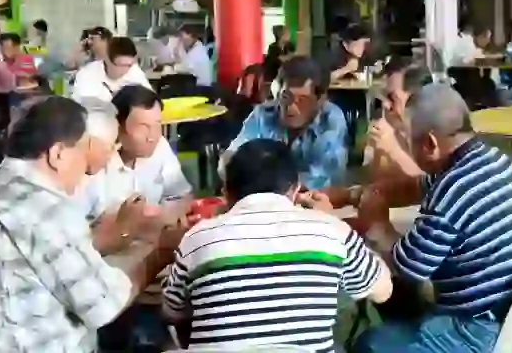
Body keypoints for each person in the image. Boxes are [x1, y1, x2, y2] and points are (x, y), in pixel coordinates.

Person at [0, 96, 187, 352]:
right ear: (57, 154)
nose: (86, 168)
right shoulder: (46, 210)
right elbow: (104, 304)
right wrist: (161, 253)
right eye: (83, 152)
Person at [350, 84, 512, 353]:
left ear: (429, 143)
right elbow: (416, 186)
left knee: (369, 344)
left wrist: (377, 223)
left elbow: (408, 268)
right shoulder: (492, 158)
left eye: (406, 139)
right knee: (402, 304)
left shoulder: (452, 191)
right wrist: (353, 196)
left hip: (486, 332)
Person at [163, 138, 391, 351]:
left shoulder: (196, 239)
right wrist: (333, 222)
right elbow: (383, 291)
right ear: (295, 189)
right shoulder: (332, 232)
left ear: (226, 192)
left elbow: (171, 311)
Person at [222, 56, 350, 189]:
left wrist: (258, 179)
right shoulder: (263, 114)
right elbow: (231, 159)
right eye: (286, 97)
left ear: (320, 101)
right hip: (264, 198)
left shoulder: (331, 121)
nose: (291, 108)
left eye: (303, 100)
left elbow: (322, 179)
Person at [79, 85, 192, 222]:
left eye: (157, 125)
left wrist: (164, 214)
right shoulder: (95, 161)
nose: (152, 136)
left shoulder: (160, 145)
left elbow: (182, 195)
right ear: (118, 127)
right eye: (143, 127)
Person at [367, 64, 432, 177]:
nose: (386, 105)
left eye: (392, 98)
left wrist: (393, 149)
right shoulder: (394, 131)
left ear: (416, 98)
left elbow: (434, 185)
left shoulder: (438, 135)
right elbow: (376, 183)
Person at [72, 37, 151, 104]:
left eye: (129, 65)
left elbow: (150, 100)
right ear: (107, 60)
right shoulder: (87, 75)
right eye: (120, 65)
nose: (125, 70)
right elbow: (80, 106)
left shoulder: (134, 71)